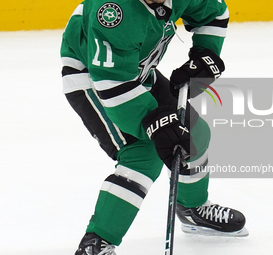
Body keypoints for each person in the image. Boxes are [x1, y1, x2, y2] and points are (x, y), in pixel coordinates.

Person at [60, 0, 247, 254]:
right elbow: (112, 84)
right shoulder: (112, 11)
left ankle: (192, 209)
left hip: (139, 70)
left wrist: (206, 54)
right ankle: (97, 241)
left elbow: (214, 13)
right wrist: (156, 126)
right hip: (93, 77)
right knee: (143, 153)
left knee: (193, 134)